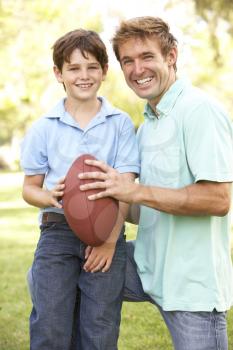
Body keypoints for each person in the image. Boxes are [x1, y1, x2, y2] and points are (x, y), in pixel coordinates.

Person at [78, 17, 233, 350]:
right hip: (146, 268)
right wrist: (102, 193)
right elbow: (145, 207)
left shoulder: (199, 111)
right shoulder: (147, 125)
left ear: (172, 55)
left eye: (147, 56)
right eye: (128, 61)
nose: (137, 69)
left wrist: (134, 190)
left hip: (192, 288)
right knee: (59, 269)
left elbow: (218, 199)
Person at [20, 29, 140, 350]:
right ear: (59, 73)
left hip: (106, 231)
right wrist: (48, 196)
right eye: (73, 68)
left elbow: (126, 186)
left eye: (91, 67)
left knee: (99, 327)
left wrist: (109, 241)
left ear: (104, 71)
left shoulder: (120, 124)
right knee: (50, 324)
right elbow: (29, 189)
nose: (83, 76)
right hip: (57, 232)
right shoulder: (44, 127)